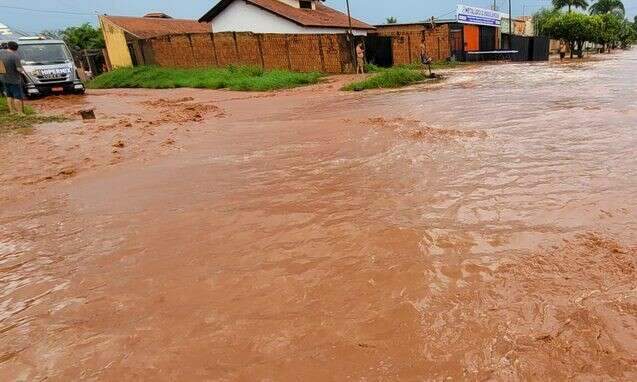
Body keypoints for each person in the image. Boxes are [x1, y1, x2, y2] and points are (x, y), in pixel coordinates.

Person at [1, 41, 25, 115]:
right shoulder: (15, 56)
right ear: (16, 48)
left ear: (8, 46)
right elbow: (19, 69)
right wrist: (22, 69)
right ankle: (20, 112)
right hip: (15, 79)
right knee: (17, 96)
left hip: (4, 77)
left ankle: (12, 111)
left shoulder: (1, 53)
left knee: (9, 95)